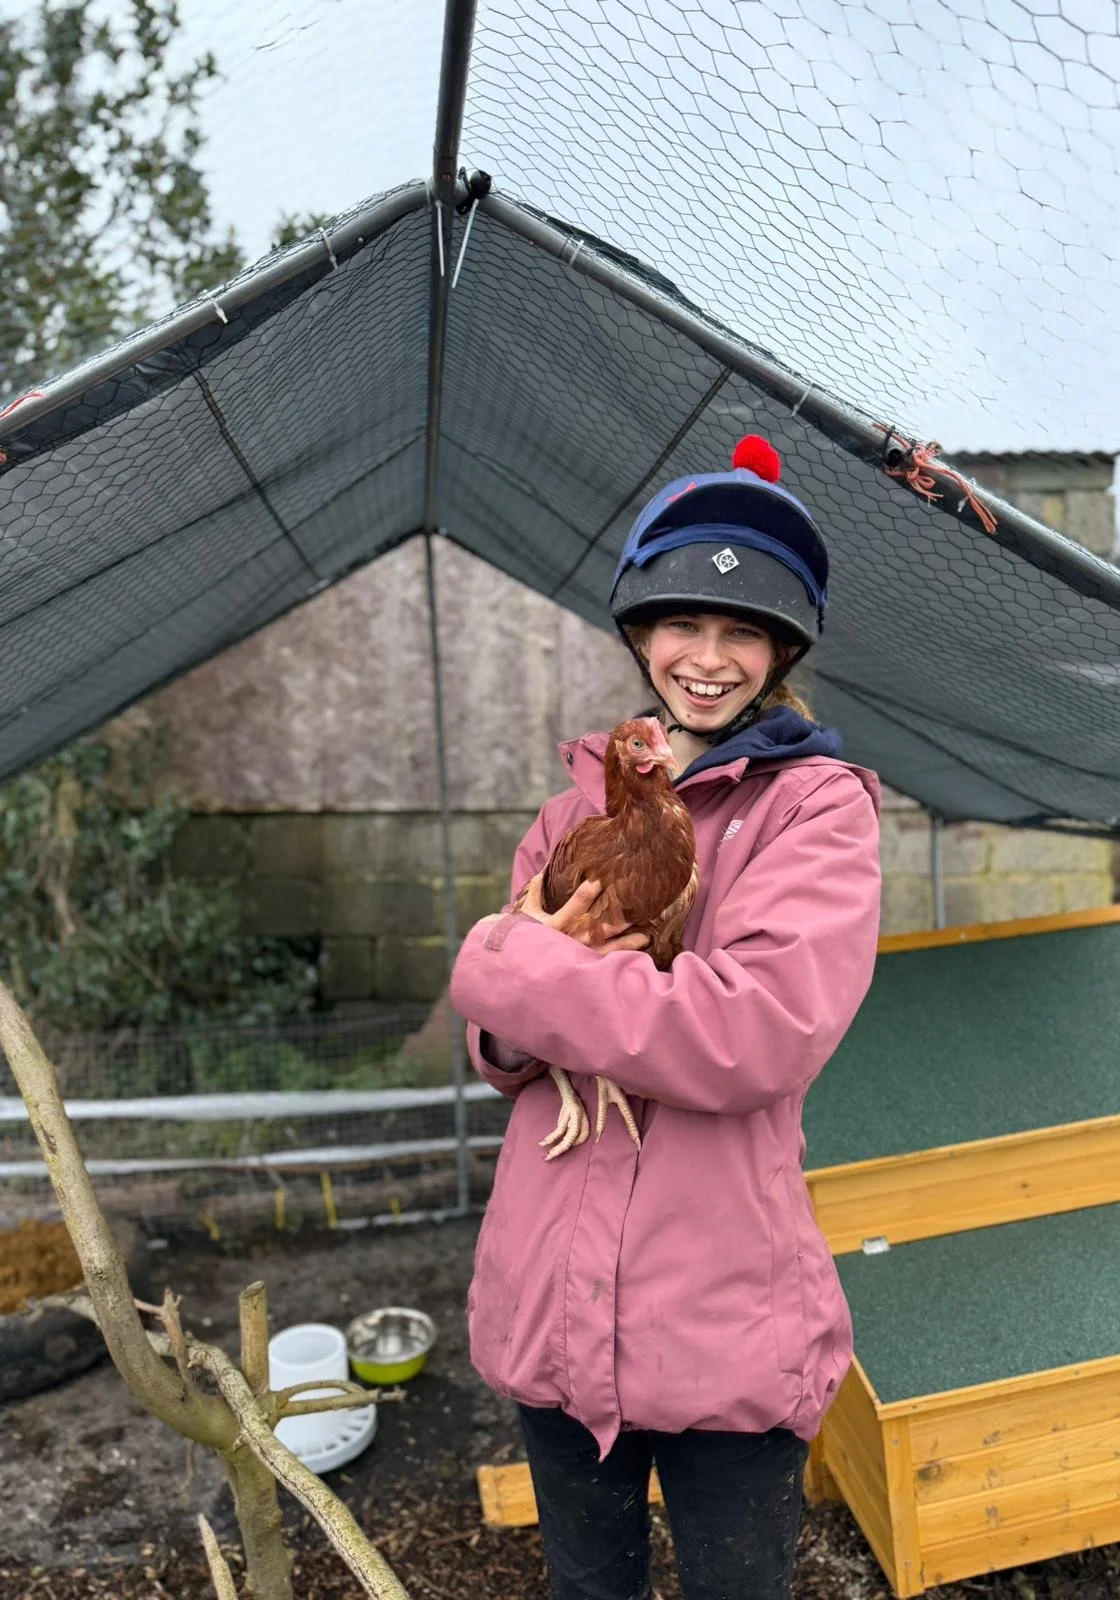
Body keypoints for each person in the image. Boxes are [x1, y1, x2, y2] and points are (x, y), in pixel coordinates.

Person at [449, 435, 882, 1600]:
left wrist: (512, 966)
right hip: (552, 1294)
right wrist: (515, 1012)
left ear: (780, 650)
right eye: (683, 622)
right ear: (643, 636)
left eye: (742, 632)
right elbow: (502, 1051)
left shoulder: (815, 811)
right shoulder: (566, 813)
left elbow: (751, 1032)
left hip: (723, 1311)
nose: (707, 656)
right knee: (589, 1589)